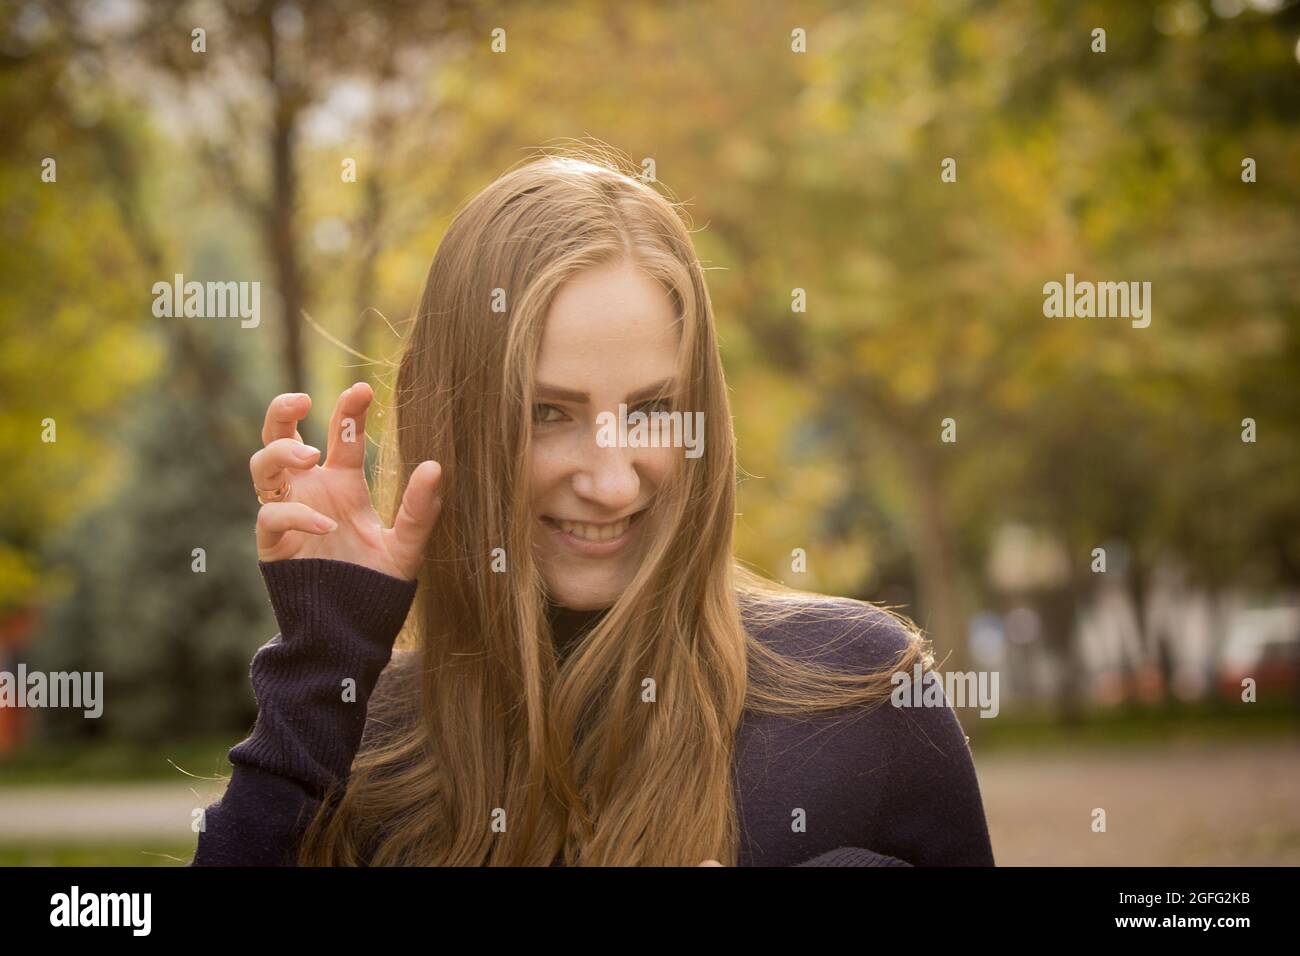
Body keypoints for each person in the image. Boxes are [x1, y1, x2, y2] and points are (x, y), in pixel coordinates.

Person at [191, 151, 995, 867]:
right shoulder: (360, 744)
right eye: (548, 413)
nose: (612, 483)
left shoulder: (858, 693)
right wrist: (322, 659)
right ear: (455, 421)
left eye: (650, 409)